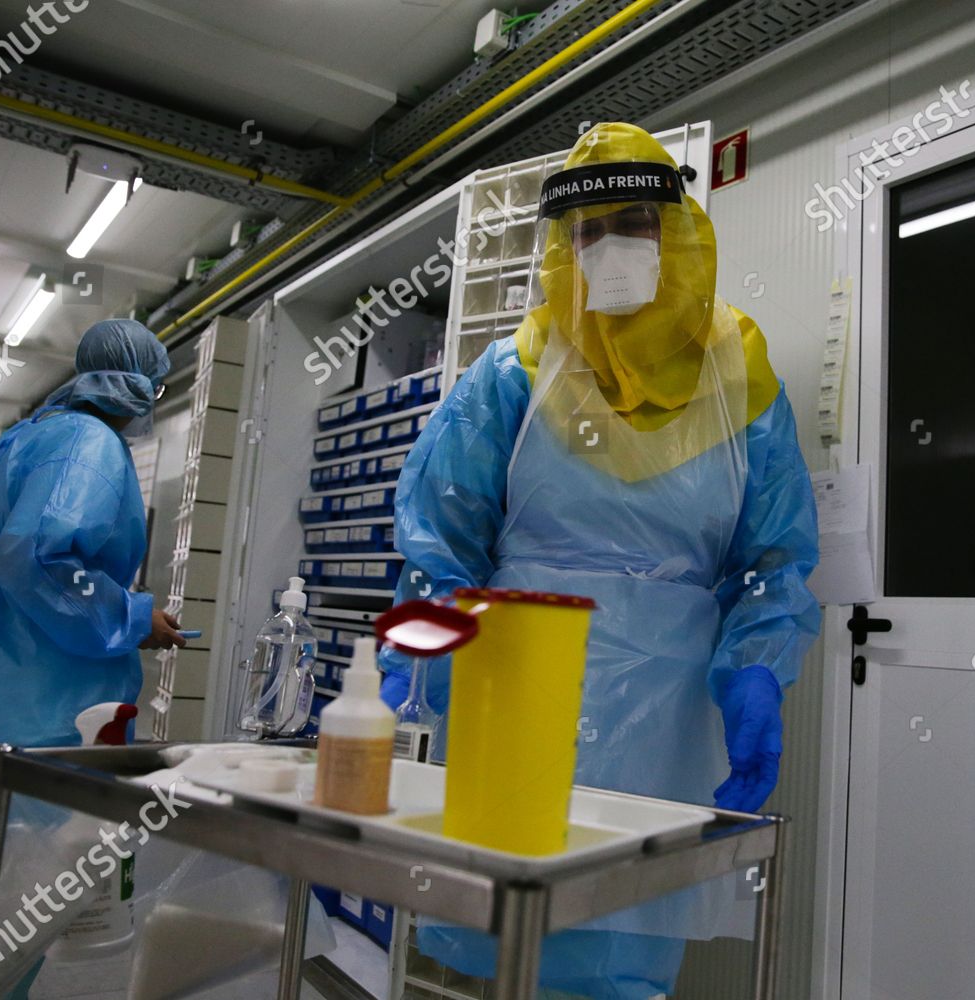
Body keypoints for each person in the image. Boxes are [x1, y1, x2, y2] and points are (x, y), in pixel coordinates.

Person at [381, 123, 821, 999]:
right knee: (502, 947)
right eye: (589, 230)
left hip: (663, 724)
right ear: (563, 247)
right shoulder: (512, 375)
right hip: (513, 700)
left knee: (621, 953)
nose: (612, 245)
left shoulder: (743, 383)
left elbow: (771, 560)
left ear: (678, 232)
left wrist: (757, 673)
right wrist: (409, 678)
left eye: (636, 221)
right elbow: (439, 548)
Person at [0, 318, 186, 838]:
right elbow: (41, 557)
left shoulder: (24, 436)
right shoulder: (90, 442)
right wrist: (135, 617)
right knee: (28, 843)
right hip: (31, 664)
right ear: (137, 387)